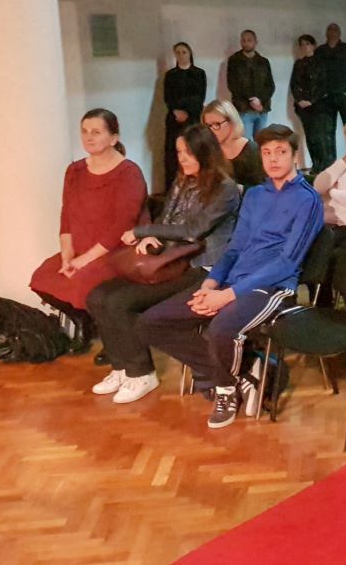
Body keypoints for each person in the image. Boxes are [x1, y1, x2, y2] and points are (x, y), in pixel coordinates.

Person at [135, 124, 321, 428]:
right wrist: (210, 284)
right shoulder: (255, 195)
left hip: (272, 287)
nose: (273, 159)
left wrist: (227, 295)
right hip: (231, 281)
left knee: (220, 328)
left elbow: (287, 263)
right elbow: (234, 249)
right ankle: (245, 373)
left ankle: (225, 390)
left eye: (281, 152)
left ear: (295, 157)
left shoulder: (307, 199)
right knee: (151, 322)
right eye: (267, 153)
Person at [87, 124, 239, 401]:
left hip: (199, 267)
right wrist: (151, 237)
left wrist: (143, 231)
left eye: (189, 153)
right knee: (97, 295)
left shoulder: (224, 188)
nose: (182, 158)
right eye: (179, 152)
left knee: (119, 302)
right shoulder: (183, 180)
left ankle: (141, 373)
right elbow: (167, 218)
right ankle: (121, 368)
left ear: (205, 153)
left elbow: (194, 230)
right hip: (171, 259)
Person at [29, 108, 148, 346]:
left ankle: (113, 337)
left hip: (114, 251)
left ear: (113, 138)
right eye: (84, 131)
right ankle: (83, 319)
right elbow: (67, 214)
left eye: (96, 132)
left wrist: (84, 260)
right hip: (80, 249)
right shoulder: (75, 170)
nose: (88, 137)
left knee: (83, 282)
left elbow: (123, 224)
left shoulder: (129, 172)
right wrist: (67, 255)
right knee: (42, 278)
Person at [163, 42, 206, 190]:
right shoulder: (170, 75)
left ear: (190, 54)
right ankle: (173, 188)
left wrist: (187, 112)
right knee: (173, 154)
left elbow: (199, 97)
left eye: (184, 52)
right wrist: (176, 111)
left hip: (192, 118)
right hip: (174, 118)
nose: (181, 55)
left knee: (192, 150)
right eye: (178, 52)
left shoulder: (199, 73)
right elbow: (168, 97)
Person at [290, 34, 331, 169]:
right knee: (310, 137)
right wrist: (300, 100)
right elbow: (294, 85)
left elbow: (323, 85)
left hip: (319, 105)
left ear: (313, 45)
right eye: (302, 44)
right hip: (303, 107)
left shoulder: (321, 63)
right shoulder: (299, 64)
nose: (305, 47)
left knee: (319, 136)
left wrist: (312, 100)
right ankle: (315, 164)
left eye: (307, 44)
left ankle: (323, 165)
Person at [201, 100, 263, 189]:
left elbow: (263, 188)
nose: (211, 131)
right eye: (208, 126)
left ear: (231, 122)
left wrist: (238, 189)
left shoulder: (253, 150)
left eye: (216, 124)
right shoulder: (207, 150)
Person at [226, 30, 275, 138]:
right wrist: (252, 100)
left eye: (249, 40)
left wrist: (260, 101)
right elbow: (233, 85)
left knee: (262, 141)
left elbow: (270, 85)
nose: (246, 43)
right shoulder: (234, 61)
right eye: (243, 40)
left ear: (256, 42)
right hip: (243, 108)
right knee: (247, 143)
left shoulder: (263, 61)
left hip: (262, 109)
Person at [315, 23, 346, 129]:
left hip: (345, 95)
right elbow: (315, 73)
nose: (332, 33)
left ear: (339, 33)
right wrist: (320, 93)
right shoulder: (320, 51)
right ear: (326, 33)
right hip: (326, 96)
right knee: (327, 129)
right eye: (330, 30)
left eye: (335, 30)